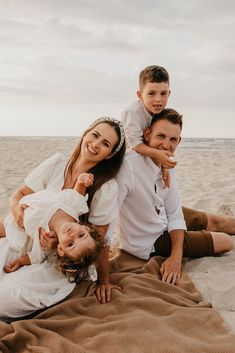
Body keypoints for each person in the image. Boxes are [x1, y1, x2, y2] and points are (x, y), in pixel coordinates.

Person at [0, 117, 125, 320]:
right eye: (95, 135)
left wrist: (104, 280)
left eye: (105, 144)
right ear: (85, 133)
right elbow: (18, 195)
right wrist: (18, 214)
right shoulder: (57, 163)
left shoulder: (105, 187)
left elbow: (98, 240)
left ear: (110, 154)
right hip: (22, 240)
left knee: (6, 297)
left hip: (57, 260)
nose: (95, 144)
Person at [114, 108, 234, 285]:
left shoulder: (167, 164)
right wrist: (175, 257)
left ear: (179, 141)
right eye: (160, 136)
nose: (166, 145)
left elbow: (175, 214)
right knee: (225, 242)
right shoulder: (128, 166)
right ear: (147, 134)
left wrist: (176, 256)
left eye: (173, 139)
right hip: (150, 240)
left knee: (219, 222)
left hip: (161, 214)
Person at [1, 173, 103, 282]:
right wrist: (81, 181)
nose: (72, 235)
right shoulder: (73, 208)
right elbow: (78, 195)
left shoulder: (46, 238)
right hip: (20, 207)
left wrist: (20, 262)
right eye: (81, 235)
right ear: (86, 229)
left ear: (60, 249)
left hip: (15, 225)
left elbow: (35, 257)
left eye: (70, 244)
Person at [121, 65, 176, 185]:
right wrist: (158, 155)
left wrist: (163, 165)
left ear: (169, 94)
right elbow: (135, 144)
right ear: (140, 95)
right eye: (151, 93)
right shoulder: (132, 112)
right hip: (129, 158)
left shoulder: (160, 112)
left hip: (148, 157)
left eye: (163, 93)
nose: (158, 99)